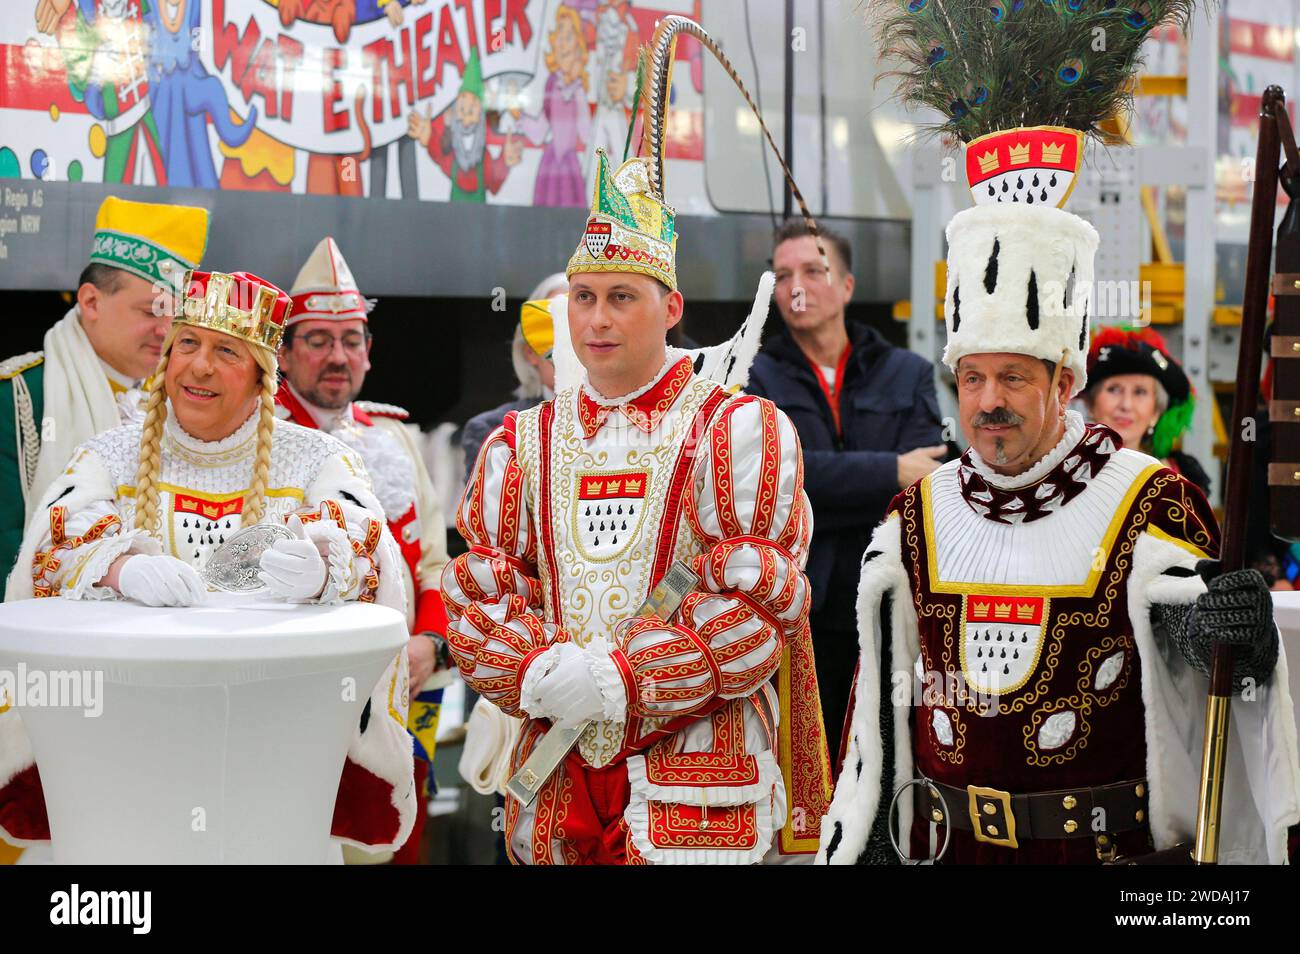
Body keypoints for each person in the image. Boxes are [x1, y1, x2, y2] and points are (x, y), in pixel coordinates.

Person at [819, 4, 1298, 864]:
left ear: (1065, 381)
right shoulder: (915, 519)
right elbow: (881, 710)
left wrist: (1235, 636)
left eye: (1015, 378)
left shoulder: (1154, 502)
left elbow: (1221, 691)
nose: (989, 402)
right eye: (973, 379)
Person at [442, 19, 831, 860]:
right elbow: (479, 588)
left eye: (623, 296)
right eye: (583, 298)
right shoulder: (523, 443)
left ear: (672, 307)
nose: (598, 319)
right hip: (554, 784)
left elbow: (760, 602)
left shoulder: (738, 429)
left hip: (695, 788)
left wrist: (624, 679)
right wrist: (535, 667)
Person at [0, 270, 416, 854]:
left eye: (226, 351)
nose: (199, 366)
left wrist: (326, 567)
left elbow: (369, 550)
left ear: (261, 378)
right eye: (187, 345)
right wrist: (115, 565)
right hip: (124, 759)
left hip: (271, 761)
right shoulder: (108, 455)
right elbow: (49, 545)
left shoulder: (318, 460)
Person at [276, 236, 453, 864]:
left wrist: (430, 645)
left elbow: (435, 565)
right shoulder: (258, 439)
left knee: (401, 839)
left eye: (351, 340)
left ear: (368, 354)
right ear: (285, 351)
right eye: (318, 339)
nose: (337, 356)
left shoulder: (395, 439)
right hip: (296, 704)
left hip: (405, 695)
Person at [748, 219, 945, 764]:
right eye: (782, 274)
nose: (796, 287)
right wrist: (887, 470)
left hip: (895, 600)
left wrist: (834, 484)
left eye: (813, 270)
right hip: (803, 609)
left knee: (895, 752)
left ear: (848, 286)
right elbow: (776, 479)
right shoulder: (756, 380)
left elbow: (924, 479)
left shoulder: (908, 372)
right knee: (812, 763)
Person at [0, 196, 210, 577]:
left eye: (175, 317)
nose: (165, 331)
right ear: (92, 302)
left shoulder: (186, 403)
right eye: (150, 311)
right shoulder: (17, 398)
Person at [461, 273, 567, 481]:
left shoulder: (626, 421)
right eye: (558, 327)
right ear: (530, 352)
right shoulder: (492, 429)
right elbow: (481, 511)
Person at [1084, 325, 1210, 495]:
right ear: (1091, 403)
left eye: (1140, 392)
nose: (1126, 404)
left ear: (1156, 412)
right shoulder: (1061, 474)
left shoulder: (1180, 480)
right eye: (1113, 389)